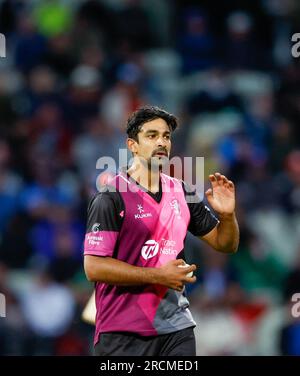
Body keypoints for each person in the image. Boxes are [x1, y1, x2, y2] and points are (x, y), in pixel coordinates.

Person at [83, 106, 239, 356]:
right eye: (152, 135)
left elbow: (225, 244)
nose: (161, 143)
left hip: (176, 327)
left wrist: (228, 215)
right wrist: (158, 275)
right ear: (132, 145)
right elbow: (94, 267)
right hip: (122, 332)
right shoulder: (110, 196)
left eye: (166, 136)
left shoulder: (184, 192)